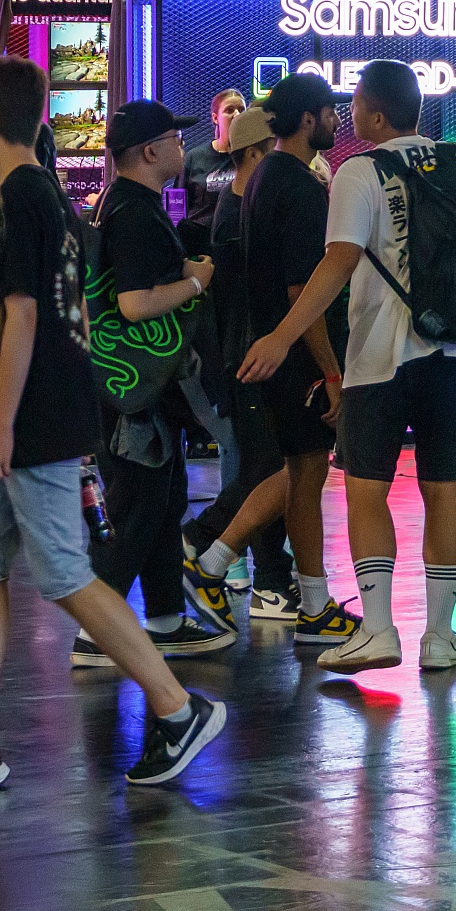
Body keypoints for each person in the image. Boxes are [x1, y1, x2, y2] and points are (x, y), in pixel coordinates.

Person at [0, 56, 230, 790]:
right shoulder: (45, 195)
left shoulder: (23, 200)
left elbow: (24, 316)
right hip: (37, 415)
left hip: (34, 420)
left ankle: (177, 709)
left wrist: (0, 426)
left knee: (67, 576)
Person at [239, 59, 456, 673]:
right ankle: (440, 636)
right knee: (444, 493)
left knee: (367, 491)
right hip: (453, 353)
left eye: (355, 106)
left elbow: (338, 262)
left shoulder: (358, 171)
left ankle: (377, 630)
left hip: (378, 357)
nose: (348, 116)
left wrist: (281, 337)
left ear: (374, 114)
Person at [82, 100, 234, 659]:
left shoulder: (118, 203)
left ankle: (166, 619)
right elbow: (135, 303)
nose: (181, 147)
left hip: (137, 384)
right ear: (149, 152)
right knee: (137, 507)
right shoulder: (136, 214)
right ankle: (96, 633)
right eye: (173, 138)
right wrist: (196, 283)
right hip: (135, 390)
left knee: (164, 500)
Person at [236, 75, 355, 640]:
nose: (337, 120)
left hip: (273, 348)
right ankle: (307, 602)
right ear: (308, 118)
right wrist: (330, 370)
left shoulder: (263, 176)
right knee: (306, 476)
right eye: (330, 111)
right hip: (297, 356)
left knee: (299, 473)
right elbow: (304, 292)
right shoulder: (302, 188)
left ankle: (217, 557)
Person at [183, 87, 295, 616]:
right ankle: (201, 542)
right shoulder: (236, 214)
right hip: (244, 357)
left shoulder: (241, 207)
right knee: (267, 468)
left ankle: (269, 577)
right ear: (255, 153)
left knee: (267, 465)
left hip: (246, 354)